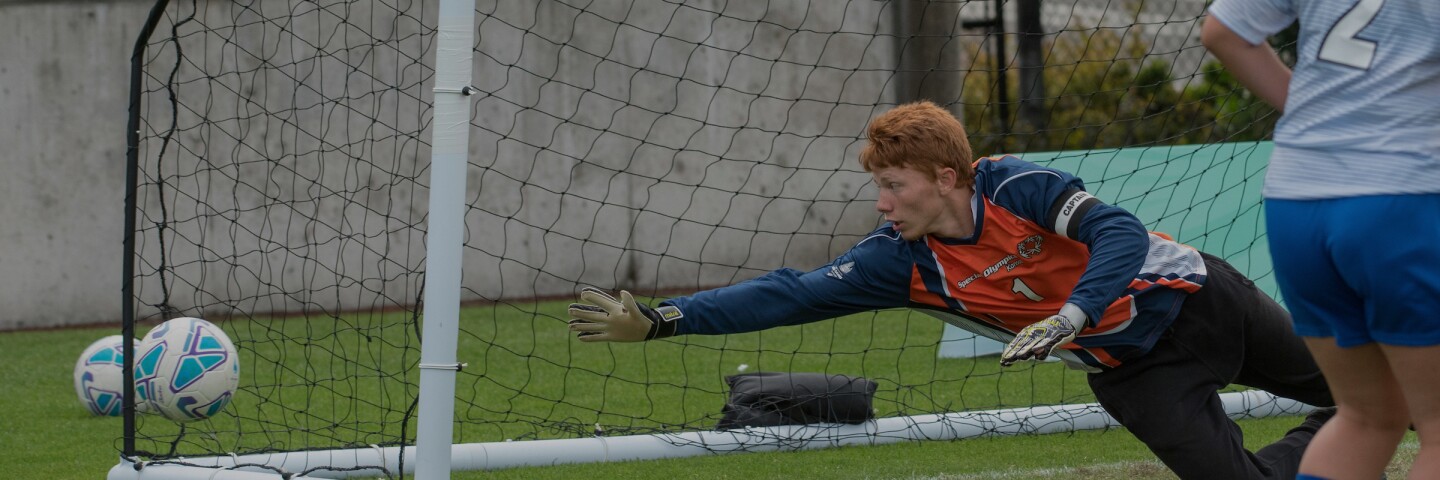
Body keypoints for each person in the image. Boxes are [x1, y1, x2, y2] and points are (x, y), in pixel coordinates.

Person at [568, 101, 1333, 479]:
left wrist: (1070, 314)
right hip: (1133, 371)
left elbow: (1120, 235)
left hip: (1204, 304)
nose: (881, 203)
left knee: (1362, 399)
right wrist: (663, 319)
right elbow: (788, 294)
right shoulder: (893, 261)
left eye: (893, 185)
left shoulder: (1018, 185)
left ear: (946, 177)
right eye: (879, 187)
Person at [1202, 1, 1440, 478]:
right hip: (1403, 196)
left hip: (1297, 199)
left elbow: (1221, 32)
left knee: (1367, 418)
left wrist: (1322, 116)